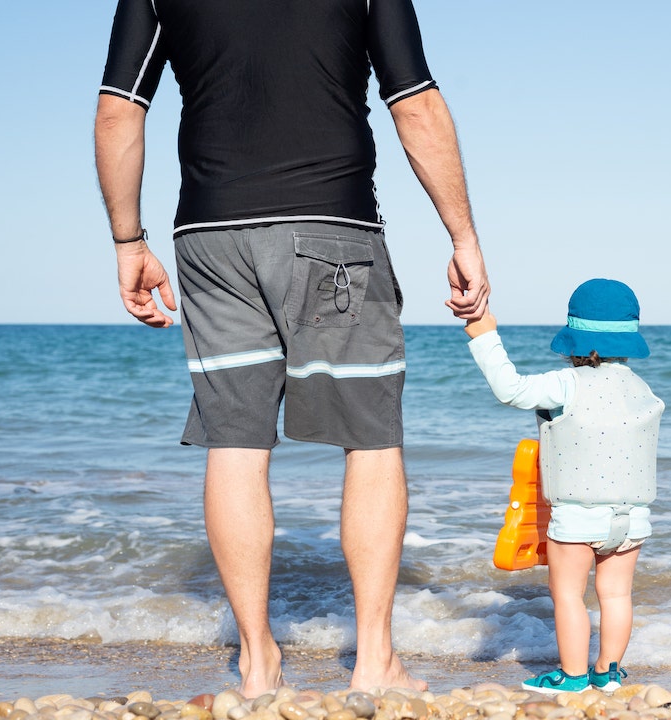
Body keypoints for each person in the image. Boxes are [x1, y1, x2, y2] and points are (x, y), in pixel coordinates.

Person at [93, 0, 489, 696]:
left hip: (209, 237)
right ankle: (374, 663)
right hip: (332, 225)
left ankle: (257, 664)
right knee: (370, 438)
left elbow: (119, 111)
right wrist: (463, 237)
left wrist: (128, 240)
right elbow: (415, 104)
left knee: (236, 443)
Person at [464, 279, 664, 694]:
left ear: (574, 338)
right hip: (633, 518)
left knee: (569, 595)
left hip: (577, 514)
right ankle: (608, 673)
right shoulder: (642, 389)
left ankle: (572, 677)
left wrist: (484, 335)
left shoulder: (565, 384)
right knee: (616, 596)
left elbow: (511, 389)